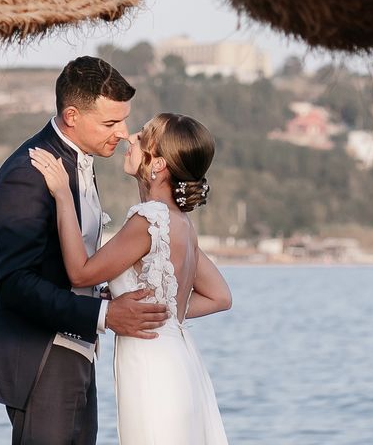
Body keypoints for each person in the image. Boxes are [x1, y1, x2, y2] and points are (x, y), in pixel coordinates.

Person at [0, 56, 167, 445]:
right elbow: (15, 283)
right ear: (71, 116)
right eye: (110, 123)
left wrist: (103, 297)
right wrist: (105, 314)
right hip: (42, 357)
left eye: (124, 119)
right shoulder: (27, 174)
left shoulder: (81, 159)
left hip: (80, 347)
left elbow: (67, 261)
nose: (122, 133)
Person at [29, 111, 231, 445]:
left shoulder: (148, 219)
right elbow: (220, 296)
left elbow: (80, 271)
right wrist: (158, 307)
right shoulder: (181, 222)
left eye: (142, 137)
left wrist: (63, 195)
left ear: (159, 165)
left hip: (151, 363)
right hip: (178, 358)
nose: (130, 138)